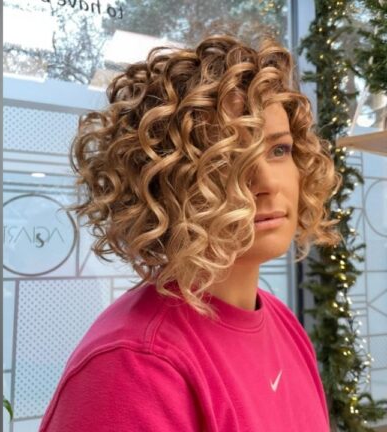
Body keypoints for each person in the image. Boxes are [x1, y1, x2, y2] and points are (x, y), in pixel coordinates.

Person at [40, 35, 339, 431]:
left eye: (278, 150)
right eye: (228, 156)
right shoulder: (135, 366)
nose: (267, 181)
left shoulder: (284, 325)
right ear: (166, 181)